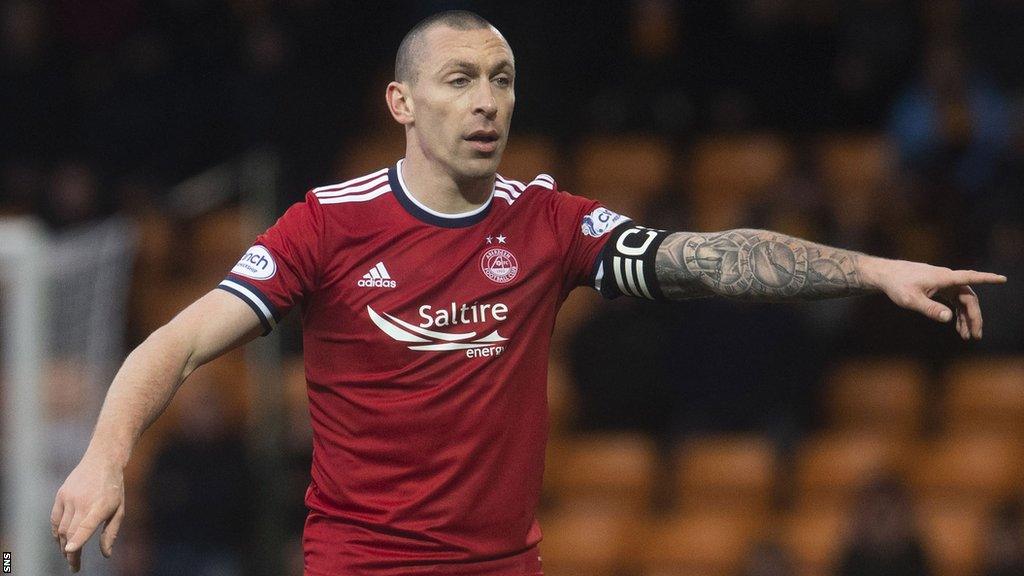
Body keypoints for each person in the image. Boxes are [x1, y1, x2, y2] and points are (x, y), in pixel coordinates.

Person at [50, 10, 1006, 576]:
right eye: (460, 80)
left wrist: (872, 268)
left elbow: (704, 256)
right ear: (402, 103)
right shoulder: (325, 224)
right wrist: (105, 455)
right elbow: (174, 341)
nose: (488, 102)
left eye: (502, 81)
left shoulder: (549, 223)